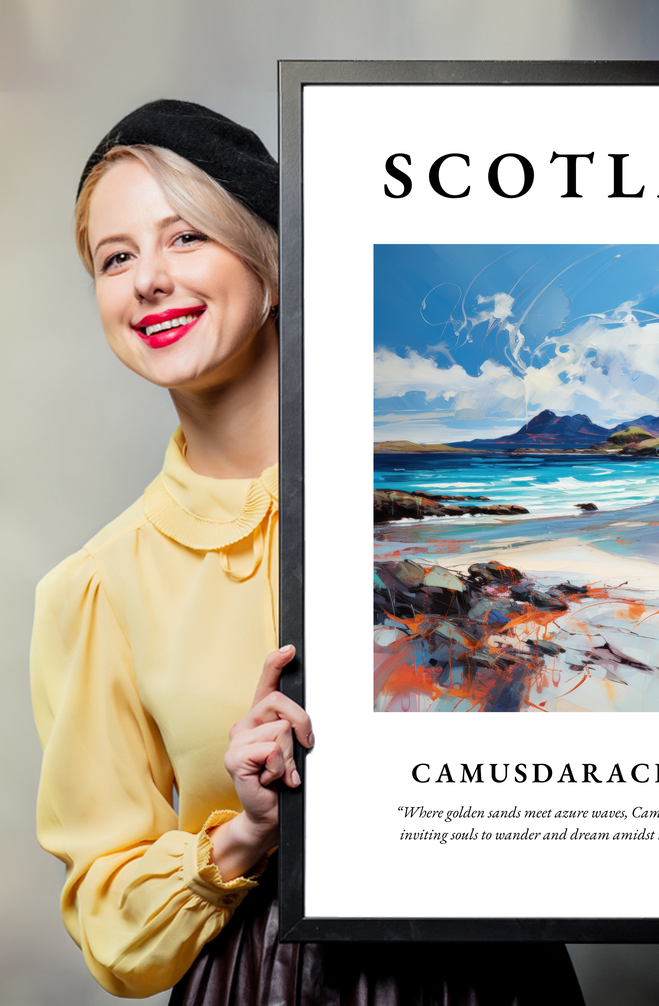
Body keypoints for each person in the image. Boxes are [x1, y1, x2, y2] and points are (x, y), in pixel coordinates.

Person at [30, 100, 585, 1004]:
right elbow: (110, 924)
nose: (148, 281)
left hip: (494, 973)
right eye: (116, 257)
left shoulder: (432, 519)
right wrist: (245, 832)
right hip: (264, 981)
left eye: (185, 239)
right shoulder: (97, 587)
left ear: (273, 264)